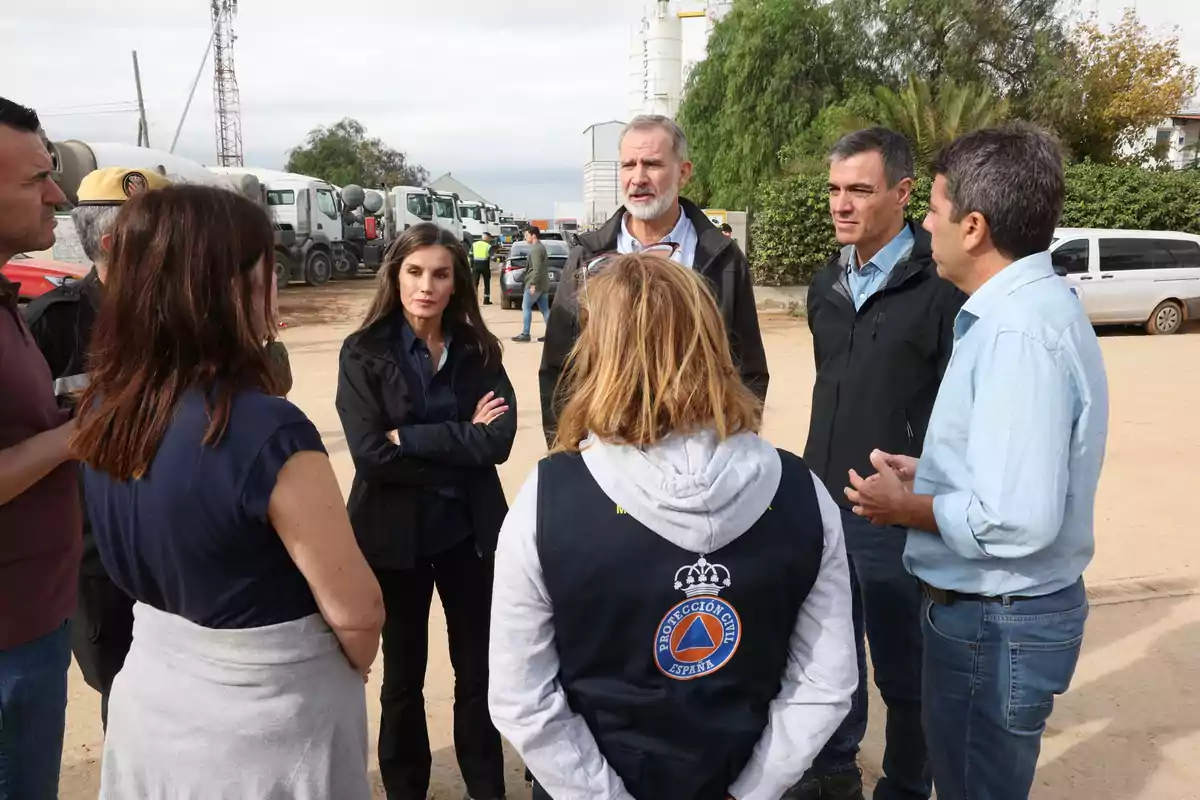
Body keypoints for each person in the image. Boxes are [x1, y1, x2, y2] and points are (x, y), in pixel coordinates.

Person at [490, 252, 857, 800]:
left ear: (598, 353)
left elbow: (521, 695)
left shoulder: (547, 498)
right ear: (714, 343)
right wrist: (753, 789)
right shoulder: (803, 492)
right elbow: (824, 681)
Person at [74, 184, 385, 798]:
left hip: (152, 700)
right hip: (261, 728)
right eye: (266, 269)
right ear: (225, 287)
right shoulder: (264, 427)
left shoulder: (107, 406)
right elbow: (358, 612)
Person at [844, 123, 1108, 800]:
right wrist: (928, 473)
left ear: (974, 227)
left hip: (997, 622)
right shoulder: (1023, 312)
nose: (925, 225)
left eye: (933, 209)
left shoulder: (1017, 332)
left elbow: (1017, 519)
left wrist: (909, 507)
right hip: (998, 617)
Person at [793, 128, 964, 800]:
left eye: (859, 190)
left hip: (892, 516)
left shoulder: (941, 286)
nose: (841, 204)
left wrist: (920, 483)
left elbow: (959, 407)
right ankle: (836, 773)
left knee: (904, 672)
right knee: (828, 659)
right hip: (820, 506)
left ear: (901, 193)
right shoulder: (823, 285)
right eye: (835, 189)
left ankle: (903, 784)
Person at [336, 222, 515, 800]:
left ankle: (486, 787)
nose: (427, 286)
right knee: (402, 680)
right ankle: (405, 789)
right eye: (415, 272)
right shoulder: (363, 351)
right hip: (394, 542)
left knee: (478, 676)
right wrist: (461, 438)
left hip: (469, 536)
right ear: (396, 275)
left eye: (440, 274)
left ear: (456, 280)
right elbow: (369, 454)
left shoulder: (478, 349)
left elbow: (500, 442)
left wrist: (410, 439)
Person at [24, 166, 172, 731]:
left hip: (178, 539)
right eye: (163, 230)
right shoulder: (53, 325)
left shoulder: (179, 321)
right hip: (97, 555)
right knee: (127, 694)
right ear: (116, 243)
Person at [539, 114, 768, 446]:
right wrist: (567, 452)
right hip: (605, 455)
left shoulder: (721, 258)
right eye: (628, 164)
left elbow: (748, 369)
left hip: (697, 456)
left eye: (652, 164)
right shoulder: (587, 257)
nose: (638, 178)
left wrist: (735, 448)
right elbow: (558, 368)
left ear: (683, 172)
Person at [0, 96, 80, 799]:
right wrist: (76, 435)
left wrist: (68, 410)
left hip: (33, 622)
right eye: (35, 181)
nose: (57, 194)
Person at [512, 225, 549, 343]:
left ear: (533, 236)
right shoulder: (540, 247)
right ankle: (552, 334)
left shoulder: (536, 249)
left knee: (526, 307)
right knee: (545, 310)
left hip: (536, 283)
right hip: (543, 284)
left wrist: (533, 284)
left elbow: (537, 269)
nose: (525, 237)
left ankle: (525, 334)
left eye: (526, 235)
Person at [472, 231, 495, 306]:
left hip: (475, 266)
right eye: (490, 238)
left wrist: (471, 265)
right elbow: (493, 257)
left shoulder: (474, 244)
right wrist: (498, 259)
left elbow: (470, 255)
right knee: (486, 283)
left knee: (475, 284)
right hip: (485, 266)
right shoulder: (488, 246)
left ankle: (474, 301)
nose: (490, 239)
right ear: (487, 238)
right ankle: (486, 300)